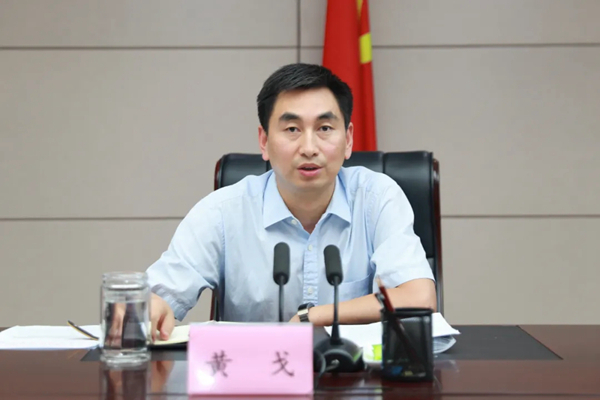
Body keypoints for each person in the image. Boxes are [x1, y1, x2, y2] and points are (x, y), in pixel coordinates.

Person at [146, 63, 436, 341]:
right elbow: (157, 297)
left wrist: (311, 318)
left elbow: (419, 298)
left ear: (348, 140)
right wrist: (149, 307)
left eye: (324, 128)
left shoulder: (376, 198)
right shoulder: (223, 212)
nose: (309, 148)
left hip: (353, 372)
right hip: (254, 373)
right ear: (264, 141)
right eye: (292, 129)